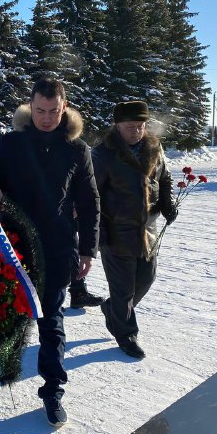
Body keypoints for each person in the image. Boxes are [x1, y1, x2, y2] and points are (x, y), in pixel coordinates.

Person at [0, 78, 100, 427]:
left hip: (57, 247)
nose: (46, 118)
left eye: (53, 111)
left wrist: (88, 249)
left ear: (64, 108)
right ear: (30, 108)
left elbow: (89, 202)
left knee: (52, 322)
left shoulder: (76, 149)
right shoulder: (11, 144)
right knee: (9, 315)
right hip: (13, 246)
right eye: (40, 111)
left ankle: (53, 389)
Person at [92, 100, 176, 360]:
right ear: (117, 126)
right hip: (115, 232)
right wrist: (98, 232)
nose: (137, 131)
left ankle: (113, 310)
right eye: (131, 127)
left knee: (147, 278)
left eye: (140, 126)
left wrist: (166, 202)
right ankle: (126, 334)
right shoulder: (103, 154)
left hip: (147, 231)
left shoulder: (154, 147)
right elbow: (90, 195)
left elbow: (164, 178)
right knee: (123, 289)